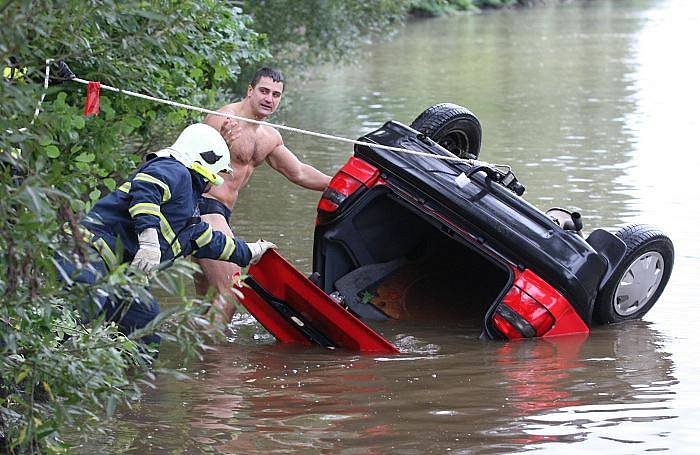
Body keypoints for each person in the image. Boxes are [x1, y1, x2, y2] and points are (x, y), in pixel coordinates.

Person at [55, 123, 277, 347]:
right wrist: (149, 239)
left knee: (146, 334)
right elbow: (147, 188)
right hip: (87, 255)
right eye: (216, 174)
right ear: (203, 163)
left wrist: (252, 251)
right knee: (69, 324)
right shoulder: (174, 170)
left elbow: (215, 243)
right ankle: (37, 367)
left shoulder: (189, 214)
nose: (214, 182)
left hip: (124, 277)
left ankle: (134, 380)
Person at [195, 67, 332, 323]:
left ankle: (197, 358)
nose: (269, 98)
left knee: (208, 302)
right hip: (203, 209)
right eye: (264, 91)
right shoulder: (222, 119)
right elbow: (188, 163)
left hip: (222, 215)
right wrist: (222, 144)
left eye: (276, 94)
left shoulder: (269, 136)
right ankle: (221, 362)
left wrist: (341, 184)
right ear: (250, 90)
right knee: (231, 291)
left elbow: (299, 172)